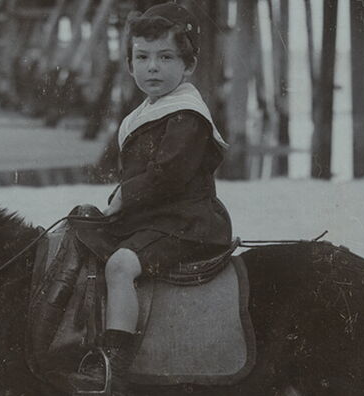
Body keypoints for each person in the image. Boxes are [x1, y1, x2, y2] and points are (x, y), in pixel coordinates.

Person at [67, 2, 233, 393]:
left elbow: (169, 175)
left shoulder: (187, 114)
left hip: (188, 222)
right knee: (82, 233)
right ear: (130, 64)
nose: (152, 67)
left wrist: (125, 195)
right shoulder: (146, 112)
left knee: (122, 265)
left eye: (166, 57)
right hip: (157, 218)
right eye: (142, 57)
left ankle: (114, 360)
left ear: (188, 66)